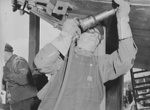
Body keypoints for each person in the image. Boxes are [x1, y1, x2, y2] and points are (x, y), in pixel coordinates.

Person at [34, 0, 138, 110]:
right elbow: (41, 63)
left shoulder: (100, 65)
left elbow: (126, 60)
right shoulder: (64, 60)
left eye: (98, 36)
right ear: (78, 36)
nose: (95, 36)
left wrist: (123, 19)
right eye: (91, 31)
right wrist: (65, 35)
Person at [3, 43, 38, 110]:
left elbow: (24, 79)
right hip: (16, 101)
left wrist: (9, 75)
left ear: (4, 52)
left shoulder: (19, 61)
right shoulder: (8, 65)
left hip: (24, 101)